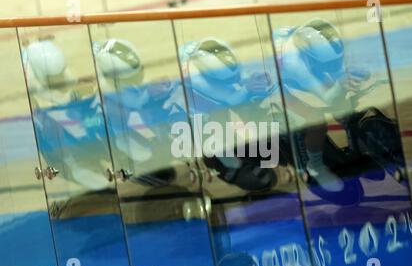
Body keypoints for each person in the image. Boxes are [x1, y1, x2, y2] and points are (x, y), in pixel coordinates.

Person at [274, 18, 371, 193]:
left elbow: (336, 71)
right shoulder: (295, 63)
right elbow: (326, 96)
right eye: (328, 64)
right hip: (279, 86)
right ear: (308, 57)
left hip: (299, 65)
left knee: (342, 104)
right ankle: (315, 166)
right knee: (316, 119)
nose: (332, 66)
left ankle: (356, 142)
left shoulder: (320, 47)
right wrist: (341, 84)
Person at [180, 38, 279, 191]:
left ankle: (237, 155)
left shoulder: (211, 62)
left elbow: (237, 84)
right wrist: (248, 88)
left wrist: (253, 81)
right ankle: (224, 163)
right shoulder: (196, 81)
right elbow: (229, 98)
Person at [94, 38, 186, 186]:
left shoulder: (115, 79)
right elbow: (133, 106)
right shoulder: (108, 94)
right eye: (133, 77)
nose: (139, 78)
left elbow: (136, 98)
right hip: (124, 142)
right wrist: (150, 93)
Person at [23, 39, 110, 191]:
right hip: (56, 142)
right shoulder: (33, 85)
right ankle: (72, 164)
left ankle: (94, 148)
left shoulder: (59, 71)